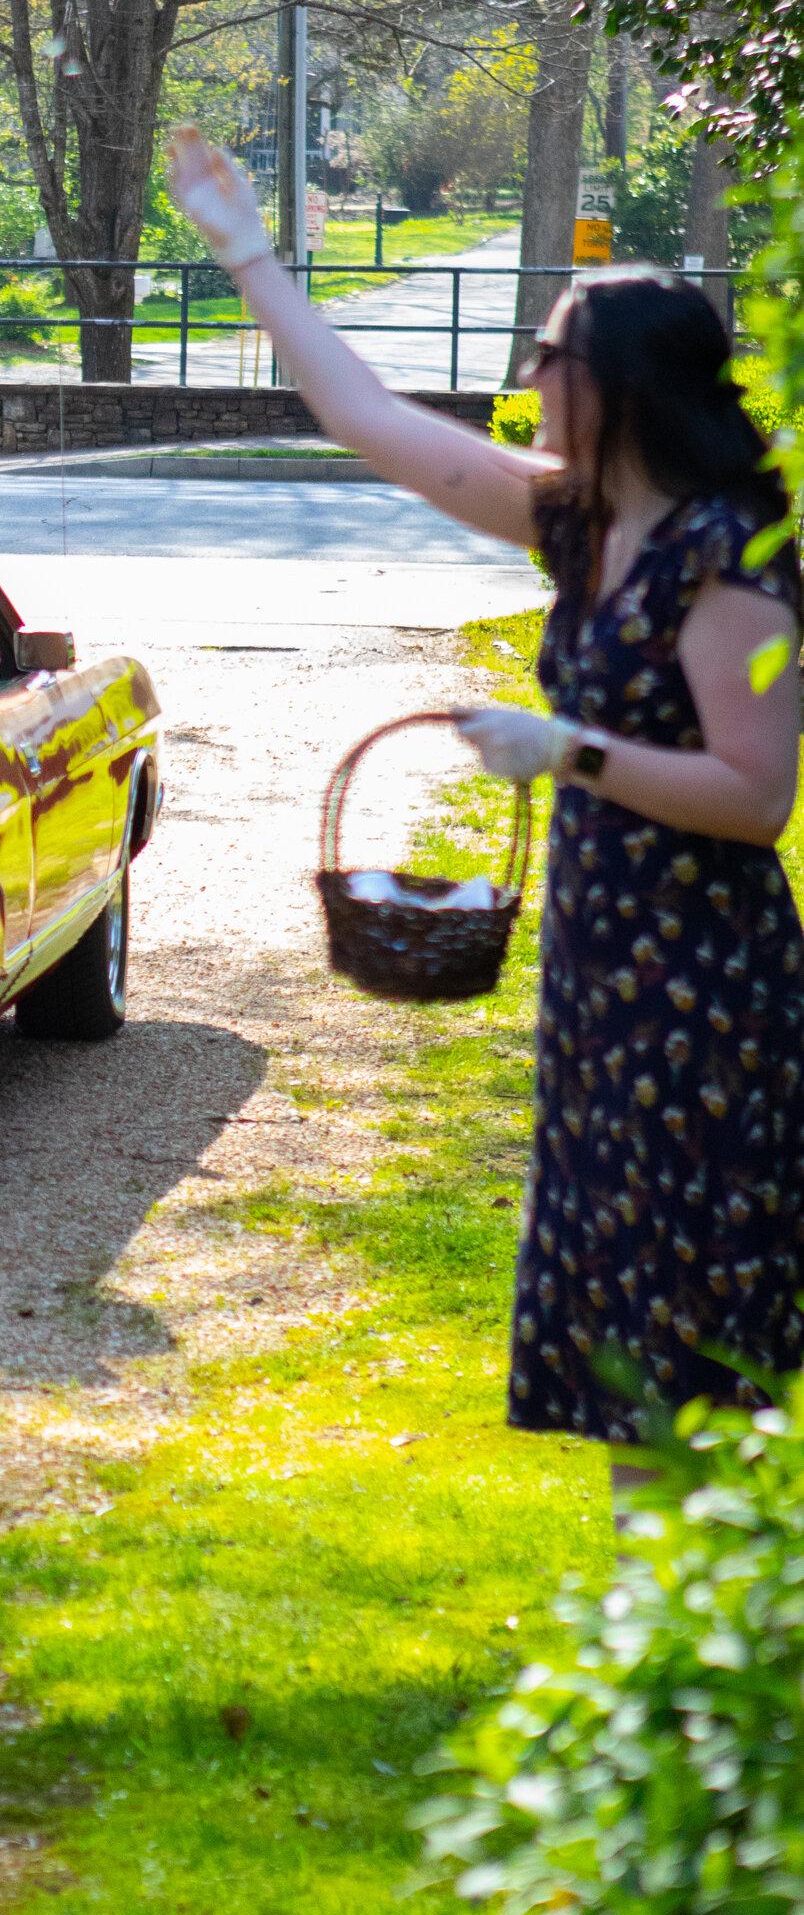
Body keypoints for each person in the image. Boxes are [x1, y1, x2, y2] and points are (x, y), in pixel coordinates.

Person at [167, 127, 803, 1509]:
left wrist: (565, 749)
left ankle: (703, 1680)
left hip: (702, 995)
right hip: (607, 986)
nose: (528, 378)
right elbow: (369, 420)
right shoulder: (578, 523)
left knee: (697, 1367)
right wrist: (244, 250)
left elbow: (756, 798)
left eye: (548, 356)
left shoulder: (723, 552)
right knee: (630, 1356)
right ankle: (669, 1676)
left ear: (618, 381)